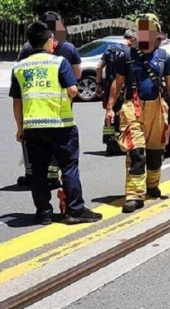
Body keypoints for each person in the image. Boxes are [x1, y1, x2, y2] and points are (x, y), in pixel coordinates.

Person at [10, 22, 102, 225]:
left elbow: (17, 102)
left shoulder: (19, 68)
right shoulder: (59, 63)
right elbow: (72, 90)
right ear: (48, 41)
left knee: (39, 171)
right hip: (61, 125)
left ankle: (43, 213)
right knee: (69, 167)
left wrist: (19, 128)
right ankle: (74, 210)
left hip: (32, 126)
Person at [104, 14, 170, 214]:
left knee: (156, 152)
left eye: (148, 30)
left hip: (157, 108)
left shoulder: (163, 57)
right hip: (133, 108)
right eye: (141, 29)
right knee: (136, 151)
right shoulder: (127, 55)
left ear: (157, 34)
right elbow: (118, 82)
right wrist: (109, 108)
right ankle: (134, 195)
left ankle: (152, 185)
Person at [15, 11, 82, 188]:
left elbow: (19, 78)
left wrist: (19, 125)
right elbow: (77, 76)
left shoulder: (27, 48)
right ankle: (53, 176)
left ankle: (32, 174)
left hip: (32, 108)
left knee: (34, 146)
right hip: (60, 106)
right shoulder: (67, 49)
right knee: (63, 151)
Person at [96, 30, 136, 155]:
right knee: (120, 114)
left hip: (108, 86)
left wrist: (98, 84)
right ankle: (119, 144)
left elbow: (98, 67)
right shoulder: (127, 52)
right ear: (132, 39)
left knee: (109, 113)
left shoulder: (109, 48)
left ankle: (109, 143)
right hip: (121, 87)